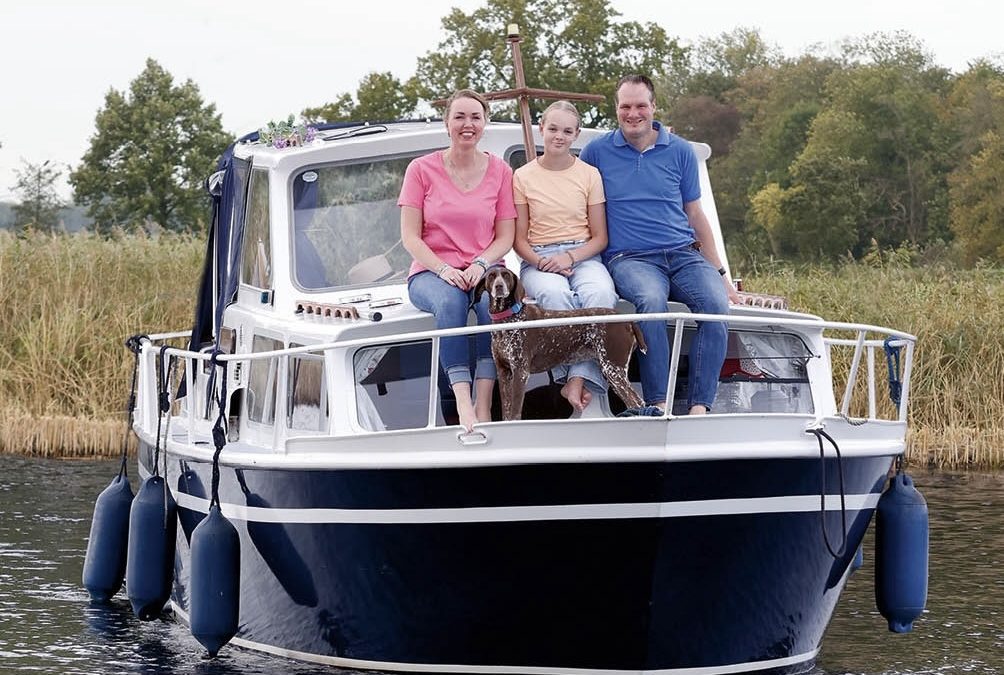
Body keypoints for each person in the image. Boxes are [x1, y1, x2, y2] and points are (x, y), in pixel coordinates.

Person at [579, 75, 740, 415]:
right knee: (651, 302)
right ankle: (658, 402)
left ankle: (699, 407)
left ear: (653, 107)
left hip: (683, 254)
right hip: (630, 257)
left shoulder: (680, 150)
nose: (633, 113)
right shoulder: (596, 152)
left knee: (715, 305)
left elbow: (695, 214)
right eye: (625, 106)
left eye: (640, 106)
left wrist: (721, 274)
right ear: (616, 109)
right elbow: (581, 206)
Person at [399, 89, 517, 431]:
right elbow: (410, 237)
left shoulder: (501, 171)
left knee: (492, 305)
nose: (468, 124)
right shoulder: (420, 170)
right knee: (451, 304)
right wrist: (445, 269)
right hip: (431, 272)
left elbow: (505, 237)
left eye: (475, 117)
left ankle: (484, 403)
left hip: (485, 268)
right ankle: (462, 403)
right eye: (460, 117)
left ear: (485, 123)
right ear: (446, 122)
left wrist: (479, 264)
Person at [512, 100, 617, 413]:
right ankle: (575, 378)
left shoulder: (589, 175)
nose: (559, 136)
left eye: (567, 131)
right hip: (538, 258)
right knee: (555, 295)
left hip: (582, 254)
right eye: (553, 128)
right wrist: (544, 262)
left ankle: (575, 379)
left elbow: (600, 237)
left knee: (599, 293)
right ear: (541, 129)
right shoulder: (522, 176)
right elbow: (518, 240)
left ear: (576, 134)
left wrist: (570, 257)